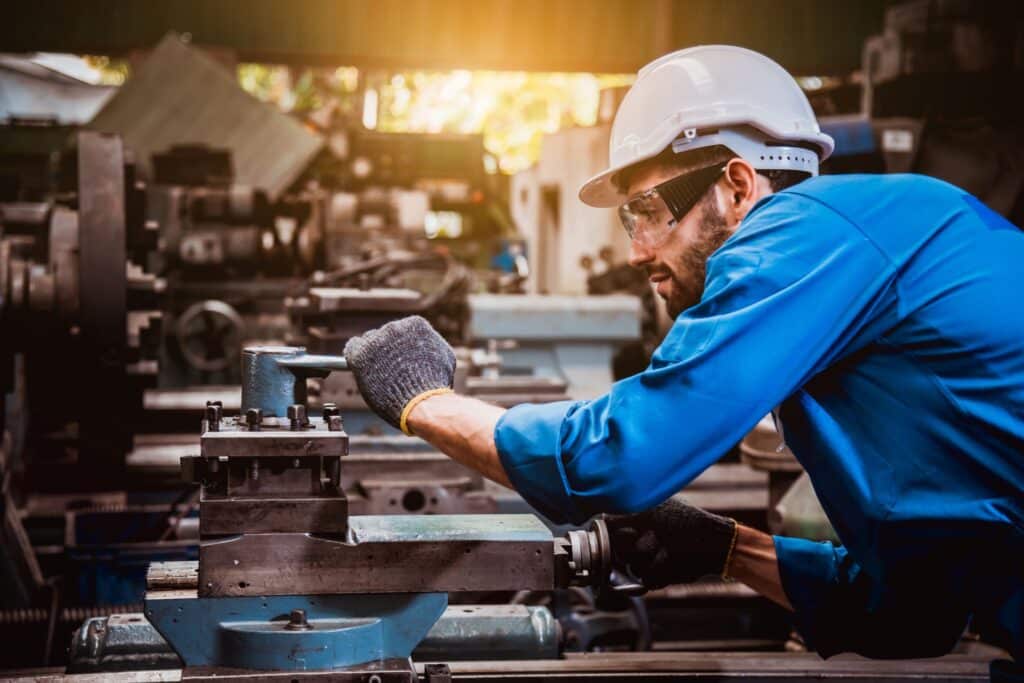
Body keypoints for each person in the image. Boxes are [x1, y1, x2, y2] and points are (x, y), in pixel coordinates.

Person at [342, 45, 1024, 670]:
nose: (636, 251)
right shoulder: (847, 323)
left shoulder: (807, 229)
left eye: (647, 209)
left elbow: (614, 460)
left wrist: (424, 400)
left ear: (736, 185)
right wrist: (721, 546)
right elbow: (909, 615)